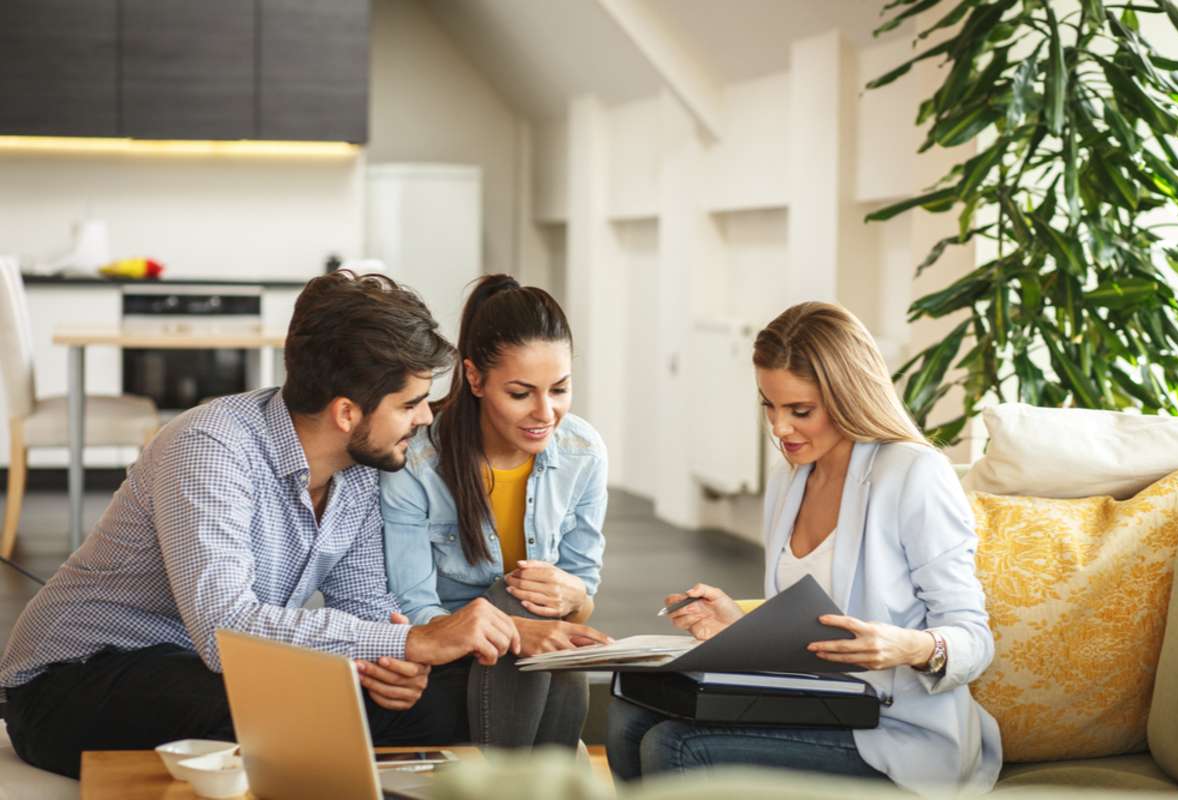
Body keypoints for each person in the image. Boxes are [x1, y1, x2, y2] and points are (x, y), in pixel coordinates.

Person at [0, 271, 522, 779]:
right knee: (282, 712)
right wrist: (411, 644)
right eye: (410, 404)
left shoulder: (363, 469)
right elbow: (223, 628)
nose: (426, 418)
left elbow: (364, 610)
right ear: (346, 413)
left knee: (451, 703)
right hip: (74, 678)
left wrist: (393, 666)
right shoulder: (210, 447)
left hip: (209, 671)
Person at [606, 302, 1002, 794]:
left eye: (800, 411)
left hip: (898, 733)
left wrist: (909, 647)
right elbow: (811, 626)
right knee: (628, 717)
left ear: (849, 397)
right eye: (769, 405)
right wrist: (738, 622)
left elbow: (974, 639)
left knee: (676, 745)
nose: (779, 428)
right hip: (816, 707)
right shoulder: (789, 481)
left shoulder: (913, 475)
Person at [381, 274, 610, 749]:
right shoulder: (418, 464)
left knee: (546, 628)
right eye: (521, 393)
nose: (545, 413)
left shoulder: (583, 452)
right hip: (450, 650)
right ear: (474, 378)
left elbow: (581, 602)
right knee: (510, 599)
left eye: (560, 389)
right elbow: (414, 608)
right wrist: (515, 629)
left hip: (535, 655)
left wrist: (572, 596)